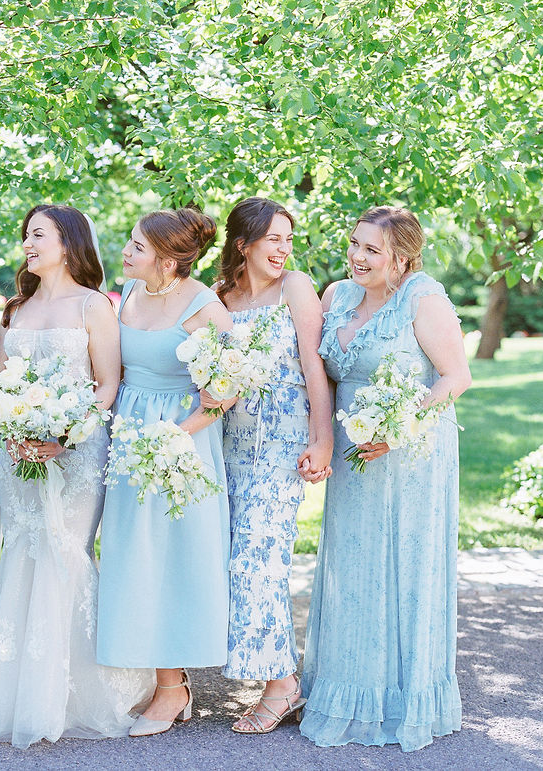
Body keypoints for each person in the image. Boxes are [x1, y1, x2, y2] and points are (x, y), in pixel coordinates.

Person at [0, 205, 154, 747]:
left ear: (67, 243)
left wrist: (67, 434)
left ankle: (77, 692)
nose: (27, 242)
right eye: (26, 234)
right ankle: (19, 691)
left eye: (38, 234)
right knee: (23, 546)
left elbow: (108, 384)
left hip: (77, 453)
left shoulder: (95, 306)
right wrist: (11, 426)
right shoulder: (15, 309)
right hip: (18, 451)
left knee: (65, 550)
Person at [300, 206, 471, 751]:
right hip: (354, 452)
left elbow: (456, 375)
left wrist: (402, 427)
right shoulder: (336, 296)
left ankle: (405, 699)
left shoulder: (424, 298)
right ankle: (349, 690)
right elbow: (318, 373)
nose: (356, 256)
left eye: (372, 249)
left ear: (402, 256)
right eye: (354, 244)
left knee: (404, 566)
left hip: (412, 453)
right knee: (354, 565)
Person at [96, 207, 232, 737]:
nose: (126, 251)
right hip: (129, 436)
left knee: (172, 558)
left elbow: (226, 391)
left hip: (180, 443)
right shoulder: (128, 296)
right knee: (134, 556)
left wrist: (180, 433)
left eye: (137, 246)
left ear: (169, 258)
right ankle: (161, 679)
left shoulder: (204, 307)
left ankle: (172, 687)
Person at [205, 197, 333, 733]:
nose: (284, 249)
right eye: (273, 239)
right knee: (231, 556)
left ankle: (281, 685)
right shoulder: (218, 297)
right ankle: (269, 671)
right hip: (226, 441)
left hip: (282, 441)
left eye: (288, 238)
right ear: (243, 244)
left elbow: (314, 363)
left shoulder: (295, 287)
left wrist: (322, 439)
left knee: (258, 558)